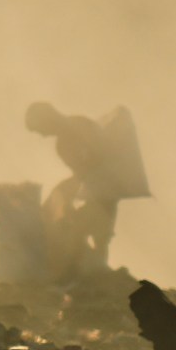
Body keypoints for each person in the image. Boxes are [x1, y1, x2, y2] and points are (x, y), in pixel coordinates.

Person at [24, 101, 127, 278]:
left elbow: (99, 157)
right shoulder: (62, 145)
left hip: (104, 191)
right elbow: (80, 174)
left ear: (47, 119)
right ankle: (92, 274)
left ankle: (93, 276)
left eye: (39, 129)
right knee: (85, 233)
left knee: (95, 234)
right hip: (95, 192)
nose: (42, 135)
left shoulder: (80, 126)